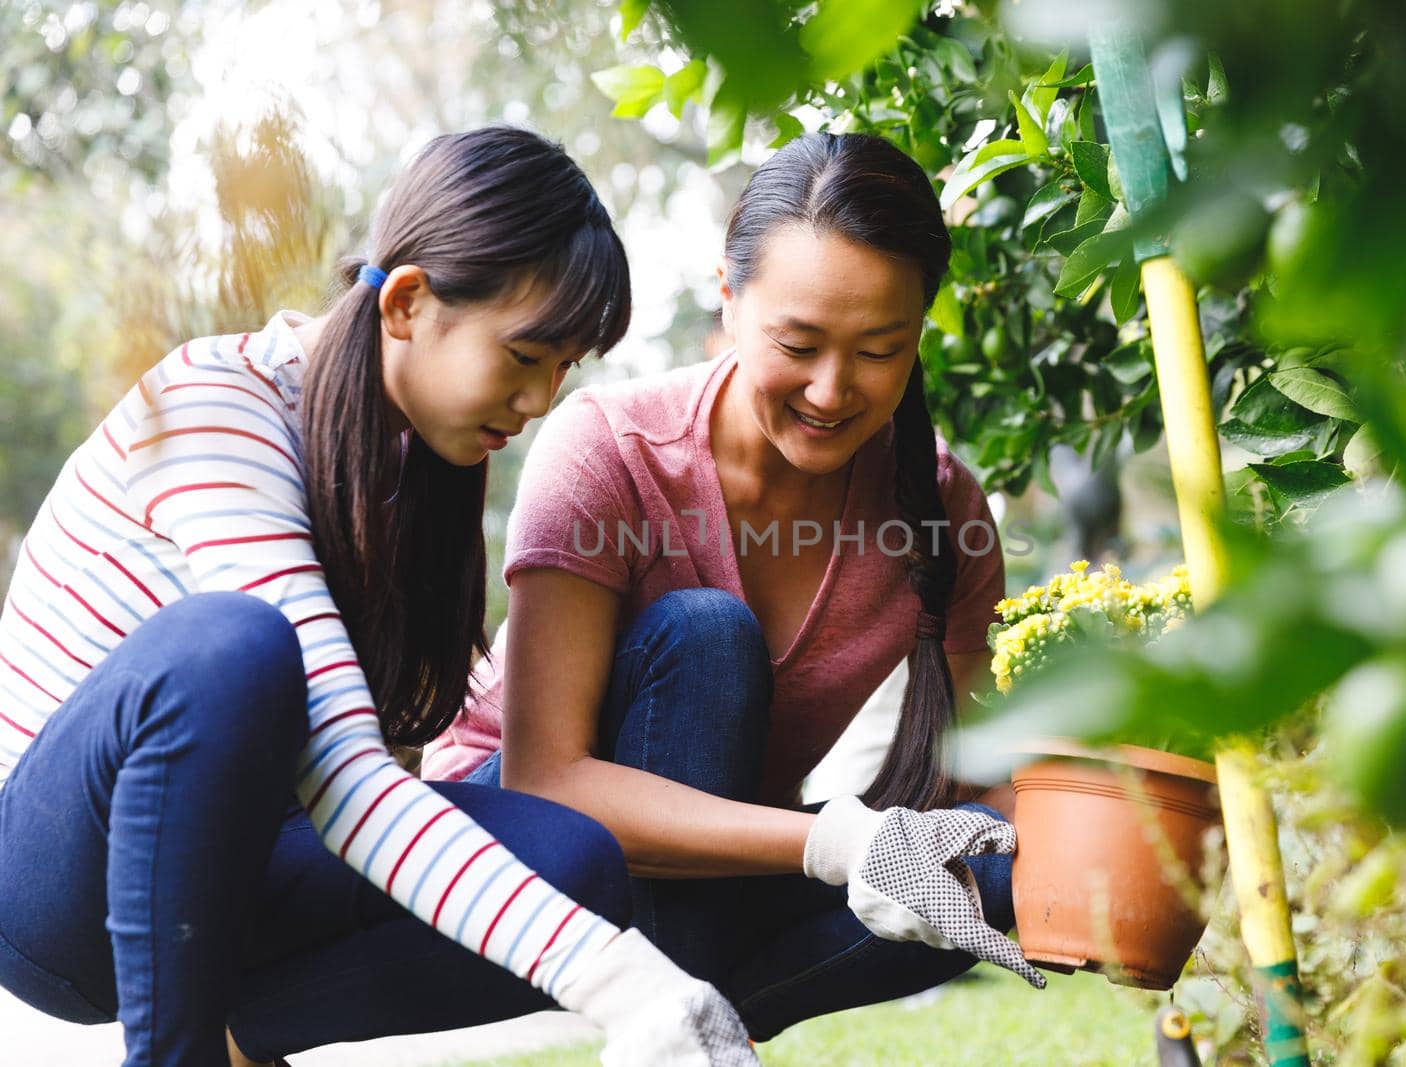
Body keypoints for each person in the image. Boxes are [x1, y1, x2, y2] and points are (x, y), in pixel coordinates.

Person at [0, 126, 756, 1067]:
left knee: (577, 863)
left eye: (565, 368)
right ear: (407, 303)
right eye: (526, 356)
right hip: (59, 887)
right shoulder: (214, 404)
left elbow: (372, 773)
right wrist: (629, 985)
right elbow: (352, 781)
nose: (540, 403)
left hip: (244, 870)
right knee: (233, 646)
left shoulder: (410, 462)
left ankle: (240, 1040)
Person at [423, 131, 1046, 1040]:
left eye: (880, 348)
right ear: (728, 295)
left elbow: (983, 778)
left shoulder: (940, 503)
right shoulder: (612, 452)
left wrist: (1113, 840)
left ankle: (689, 1027)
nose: (832, 390)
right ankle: (688, 1024)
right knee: (706, 633)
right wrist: (840, 844)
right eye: (798, 342)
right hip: (514, 848)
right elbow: (546, 779)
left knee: (986, 878)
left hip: (711, 874)